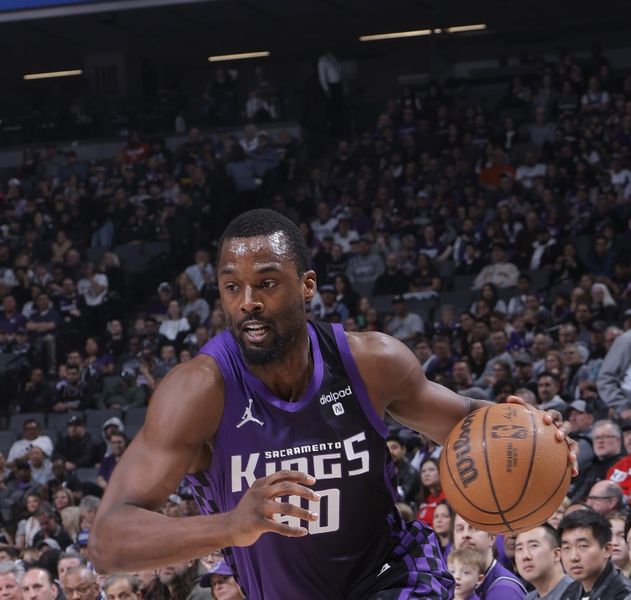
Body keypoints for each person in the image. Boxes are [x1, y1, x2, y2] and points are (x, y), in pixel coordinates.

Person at [90, 210, 575, 599]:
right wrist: (233, 525)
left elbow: (466, 421)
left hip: (395, 572)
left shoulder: (372, 362)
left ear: (306, 285)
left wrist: (537, 432)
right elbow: (108, 541)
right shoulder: (198, 390)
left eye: (266, 283)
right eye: (231, 287)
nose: (247, 302)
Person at [558, 509, 631, 600]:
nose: (573, 557)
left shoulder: (625, 594)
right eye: (567, 548)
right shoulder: (571, 591)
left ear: (607, 550)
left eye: (583, 546)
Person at [452, 514, 526, 599]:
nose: (465, 535)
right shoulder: (455, 584)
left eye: (475, 528)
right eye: (460, 529)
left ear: (491, 538)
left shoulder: (504, 590)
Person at [514, 524, 573, 600]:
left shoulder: (576, 593)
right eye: (519, 548)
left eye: (534, 546)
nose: (525, 556)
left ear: (556, 554)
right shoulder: (529, 598)